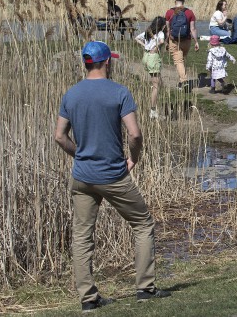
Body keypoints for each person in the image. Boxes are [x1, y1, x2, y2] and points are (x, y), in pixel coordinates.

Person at [54, 41, 170, 312]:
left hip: (82, 176)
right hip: (113, 175)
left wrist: (80, 155)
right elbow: (135, 134)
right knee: (142, 224)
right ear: (108, 62)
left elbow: (60, 136)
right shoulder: (119, 92)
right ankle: (145, 287)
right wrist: (134, 159)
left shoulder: (71, 95)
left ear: (87, 63)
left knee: (82, 235)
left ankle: (88, 299)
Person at [135, 17, 166, 119]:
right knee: (156, 86)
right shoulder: (160, 33)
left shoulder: (147, 32)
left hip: (146, 57)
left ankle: (155, 106)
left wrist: (145, 45)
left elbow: (136, 38)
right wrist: (155, 47)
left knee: (158, 83)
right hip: (153, 57)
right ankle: (153, 111)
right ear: (162, 25)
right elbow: (161, 41)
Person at [165, 0, 198, 90]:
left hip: (174, 40)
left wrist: (167, 42)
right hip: (186, 40)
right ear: (184, 1)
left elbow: (167, 29)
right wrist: (196, 42)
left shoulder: (169, 12)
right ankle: (180, 83)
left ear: (175, 1)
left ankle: (184, 81)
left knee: (178, 61)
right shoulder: (189, 12)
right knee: (182, 60)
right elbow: (193, 29)